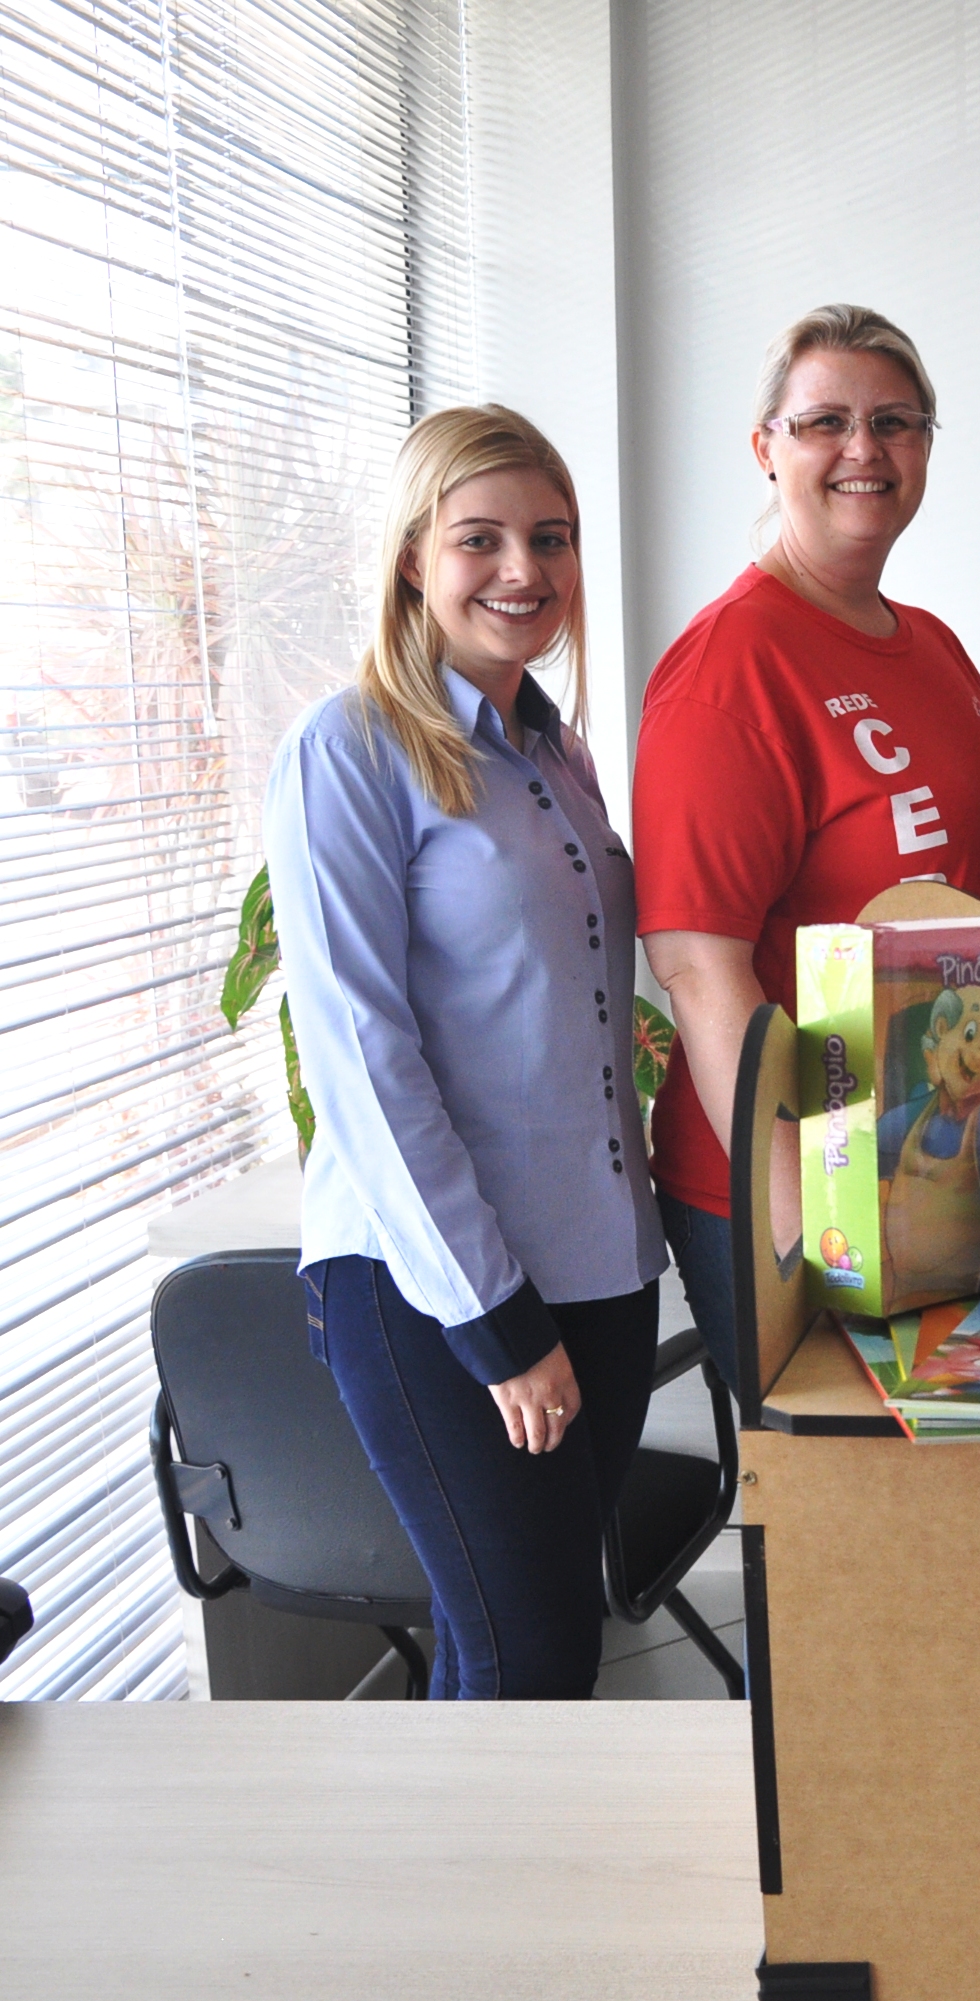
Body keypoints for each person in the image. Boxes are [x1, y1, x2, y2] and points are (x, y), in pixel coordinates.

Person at [265, 405, 665, 1700]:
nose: (522, 570)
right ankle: (484, 1909)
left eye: (549, 538)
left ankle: (469, 1900)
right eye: (479, 537)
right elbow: (363, 1056)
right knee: (526, 1654)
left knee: (533, 1646)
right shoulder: (351, 749)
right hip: (434, 1285)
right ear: (411, 559)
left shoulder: (558, 756)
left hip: (597, 1269)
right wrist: (494, 1314)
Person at [635, 306, 980, 1374]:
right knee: (835, 1525)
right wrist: (799, 1231)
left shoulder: (934, 646)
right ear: (766, 448)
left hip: (938, 1169)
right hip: (798, 1190)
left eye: (896, 422)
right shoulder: (729, 668)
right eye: (825, 422)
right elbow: (698, 969)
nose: (864, 449)